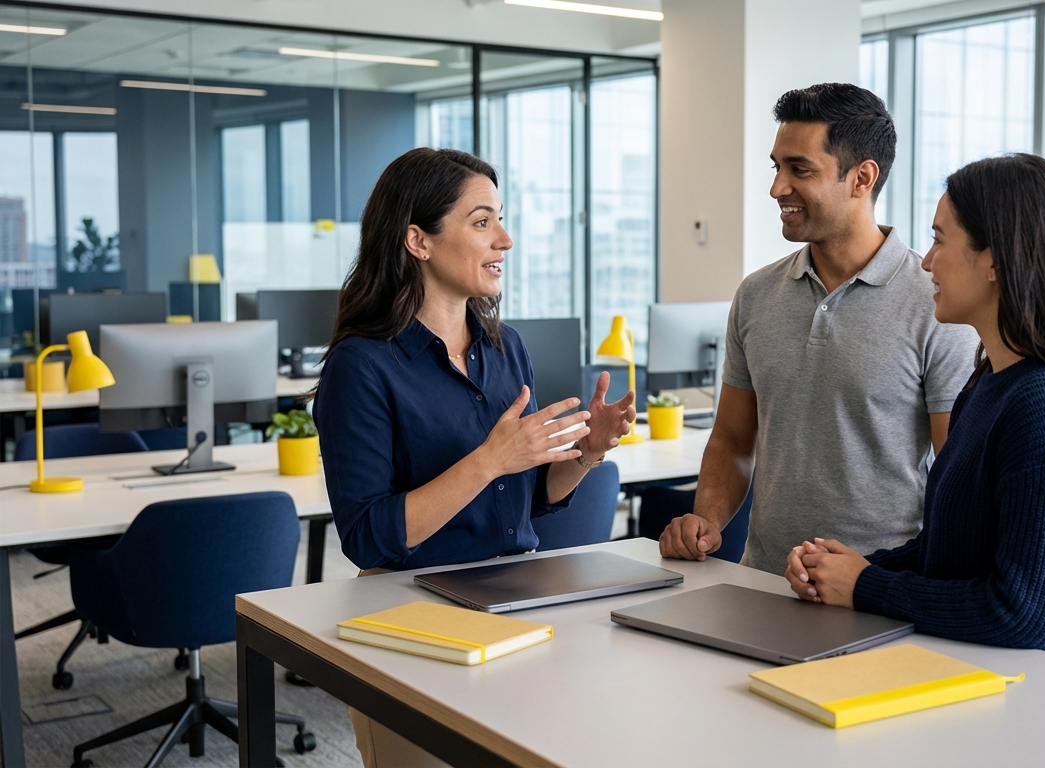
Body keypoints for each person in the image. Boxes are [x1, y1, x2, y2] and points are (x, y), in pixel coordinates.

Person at [313, 147, 636, 766]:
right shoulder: (362, 365)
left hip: (514, 599)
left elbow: (527, 498)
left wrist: (586, 453)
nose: (505, 240)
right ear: (418, 240)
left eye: (501, 219)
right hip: (411, 612)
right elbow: (367, 538)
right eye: (482, 221)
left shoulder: (504, 346)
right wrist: (488, 460)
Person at [784, 153, 1045, 668]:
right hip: (983, 682)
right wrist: (847, 568)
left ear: (997, 260)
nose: (927, 262)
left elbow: (1023, 614)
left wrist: (867, 586)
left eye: (939, 239)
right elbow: (949, 552)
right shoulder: (989, 384)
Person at [659, 83, 980, 570]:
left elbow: (955, 476)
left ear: (862, 178)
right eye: (777, 167)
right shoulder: (756, 295)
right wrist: (707, 519)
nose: (777, 188)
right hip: (762, 582)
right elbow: (731, 439)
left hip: (879, 588)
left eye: (800, 169)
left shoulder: (935, 303)